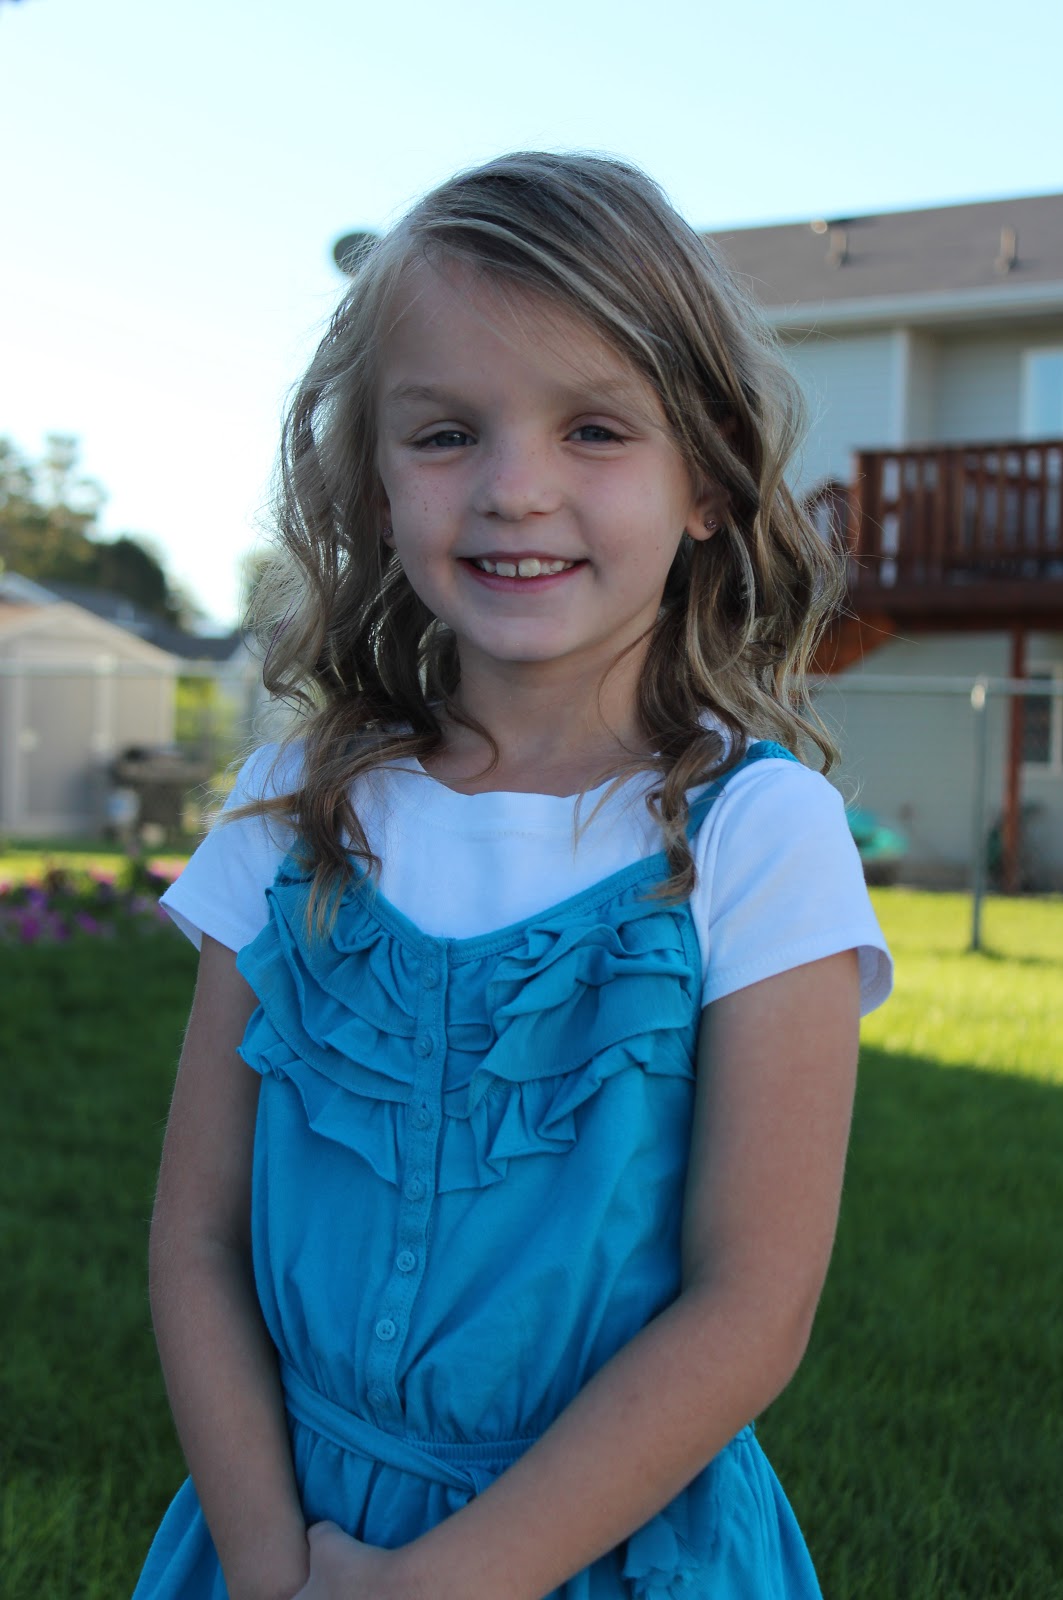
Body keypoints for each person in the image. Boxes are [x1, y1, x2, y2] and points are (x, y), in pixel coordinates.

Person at [135, 151, 891, 1600]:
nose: (514, 489)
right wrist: (268, 1567)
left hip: (609, 1549)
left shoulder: (758, 837)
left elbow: (751, 1309)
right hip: (283, 1535)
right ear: (372, 475)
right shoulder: (290, 812)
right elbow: (197, 1239)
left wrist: (440, 1587)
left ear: (711, 482)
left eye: (595, 428)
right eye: (444, 434)